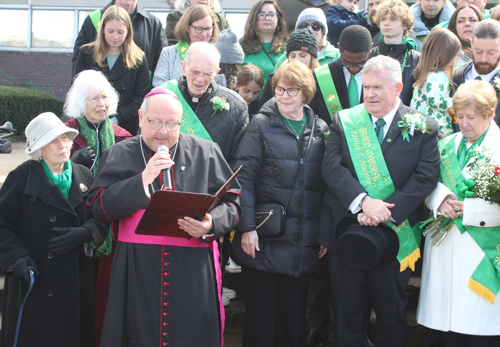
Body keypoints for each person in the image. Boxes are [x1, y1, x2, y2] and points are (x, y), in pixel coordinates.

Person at [89, 89, 241, 347]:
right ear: (140, 118)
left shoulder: (207, 152)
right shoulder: (118, 153)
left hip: (192, 270)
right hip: (136, 267)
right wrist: (142, 180)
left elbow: (233, 202)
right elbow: (99, 209)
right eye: (155, 122)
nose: (163, 132)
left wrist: (211, 223)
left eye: (171, 124)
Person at [320, 55, 440, 347]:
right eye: (367, 87)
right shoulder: (345, 121)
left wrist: (384, 212)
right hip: (349, 230)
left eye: (378, 88)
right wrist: (363, 202)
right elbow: (331, 168)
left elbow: (425, 177)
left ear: (398, 88)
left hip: (396, 237)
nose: (370, 94)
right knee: (347, 312)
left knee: (391, 313)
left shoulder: (423, 126)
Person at [231, 61, 328, 347]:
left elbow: (326, 187)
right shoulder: (259, 125)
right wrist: (247, 227)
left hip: (302, 244)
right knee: (261, 324)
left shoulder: (320, 129)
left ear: (306, 92)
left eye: (292, 90)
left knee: (293, 323)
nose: (284, 96)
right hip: (264, 239)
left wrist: (323, 232)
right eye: (279, 89)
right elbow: (243, 179)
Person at [0, 112, 108, 347]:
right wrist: (16, 257)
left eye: (65, 139)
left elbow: (101, 217)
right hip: (35, 280)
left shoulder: (84, 175)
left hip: (76, 283)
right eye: (53, 140)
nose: (63, 146)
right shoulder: (21, 178)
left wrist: (86, 232)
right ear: (39, 147)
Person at [417, 80, 500, 347]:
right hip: (442, 244)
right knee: (440, 329)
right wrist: (439, 200)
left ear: (490, 114)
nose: (464, 124)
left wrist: (472, 210)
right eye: (460, 116)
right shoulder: (445, 145)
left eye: (471, 118)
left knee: (474, 327)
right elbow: (425, 183)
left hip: (480, 250)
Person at [63, 69, 132, 346]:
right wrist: (73, 160)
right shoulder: (66, 133)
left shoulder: (122, 136)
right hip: (75, 221)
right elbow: (48, 173)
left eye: (105, 97)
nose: (101, 104)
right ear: (81, 102)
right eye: (94, 98)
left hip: (113, 225)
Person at [155, 42, 248, 167]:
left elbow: (240, 160)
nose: (200, 79)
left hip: (212, 183)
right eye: (195, 72)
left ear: (217, 72)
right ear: (183, 68)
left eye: (208, 74)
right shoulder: (160, 98)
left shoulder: (237, 107)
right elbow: (144, 144)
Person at [73, 5, 151, 136]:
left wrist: (117, 118)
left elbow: (141, 97)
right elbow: (78, 89)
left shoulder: (139, 58)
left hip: (125, 126)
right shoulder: (86, 53)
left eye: (120, 32)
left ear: (128, 32)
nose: (115, 37)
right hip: (89, 123)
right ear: (102, 30)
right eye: (110, 31)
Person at [72, 0, 167, 75]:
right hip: (98, 96)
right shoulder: (93, 20)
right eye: (110, 31)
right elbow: (78, 63)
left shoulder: (154, 24)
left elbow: (162, 66)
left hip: (141, 95)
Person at [309, 25, 373, 125]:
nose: (353, 68)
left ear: (371, 48)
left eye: (361, 63)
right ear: (339, 48)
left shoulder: (380, 77)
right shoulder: (319, 77)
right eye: (347, 63)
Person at [153, 5, 226, 88]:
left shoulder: (218, 54)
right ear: (187, 27)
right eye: (198, 28)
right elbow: (159, 85)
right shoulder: (169, 53)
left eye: (208, 29)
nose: (204, 34)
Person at [410, 28, 460, 138]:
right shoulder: (438, 76)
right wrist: (457, 102)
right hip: (437, 128)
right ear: (443, 54)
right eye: (454, 54)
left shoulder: (425, 74)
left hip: (421, 126)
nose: (456, 59)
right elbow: (435, 100)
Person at [369, 0, 421, 106]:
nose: (386, 23)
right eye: (383, 19)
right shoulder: (370, 55)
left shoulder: (417, 59)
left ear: (405, 24)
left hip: (406, 117)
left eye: (393, 19)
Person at [454, 19, 500, 126]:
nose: (484, 58)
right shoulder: (457, 76)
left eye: (491, 53)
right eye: (478, 51)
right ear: (471, 44)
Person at [260, 28, 320, 108]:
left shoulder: (321, 81)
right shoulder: (274, 81)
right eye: (293, 56)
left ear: (312, 58)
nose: (297, 60)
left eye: (303, 55)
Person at [240, 0, 288, 88]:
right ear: (254, 19)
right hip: (248, 100)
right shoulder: (240, 47)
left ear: (278, 18)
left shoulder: (288, 47)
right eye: (261, 15)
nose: (267, 18)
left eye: (271, 14)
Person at [275, 8, 341, 68]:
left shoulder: (337, 56)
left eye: (315, 26)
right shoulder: (286, 57)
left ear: (323, 31)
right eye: (304, 26)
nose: (310, 29)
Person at [448, 4, 485, 68]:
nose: (467, 24)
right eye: (461, 21)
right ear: (454, 26)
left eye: (472, 20)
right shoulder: (446, 54)